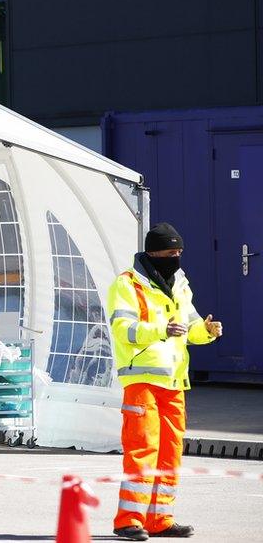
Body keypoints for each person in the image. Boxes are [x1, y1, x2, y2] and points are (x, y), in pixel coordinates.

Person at [108, 223, 222, 541]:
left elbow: (192, 326)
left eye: (180, 252)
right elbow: (123, 330)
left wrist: (207, 332)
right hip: (141, 379)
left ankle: (160, 519)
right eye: (172, 252)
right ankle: (128, 520)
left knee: (170, 453)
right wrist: (160, 329)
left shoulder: (180, 283)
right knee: (143, 449)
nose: (177, 257)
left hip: (174, 382)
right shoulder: (127, 284)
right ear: (153, 252)